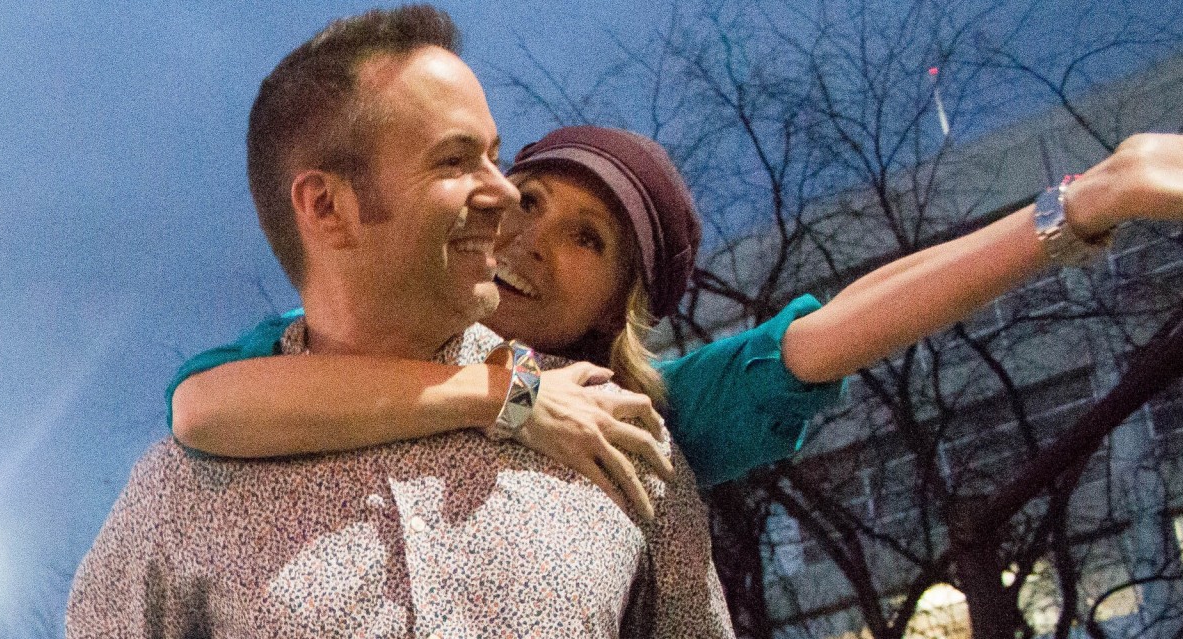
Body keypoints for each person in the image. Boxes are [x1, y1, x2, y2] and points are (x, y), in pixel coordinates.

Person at [166, 121, 1183, 518]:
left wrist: (1081, 205)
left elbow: (834, 327)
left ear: (616, 307)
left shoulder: (639, 421)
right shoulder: (345, 348)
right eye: (528, 199)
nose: (531, 240)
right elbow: (206, 406)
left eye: (586, 239)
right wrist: (505, 396)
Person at [68, 7, 731, 637]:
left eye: (495, 156)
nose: (505, 192)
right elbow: (198, 405)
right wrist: (506, 396)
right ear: (327, 207)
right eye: (455, 160)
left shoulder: (613, 433)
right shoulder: (180, 490)